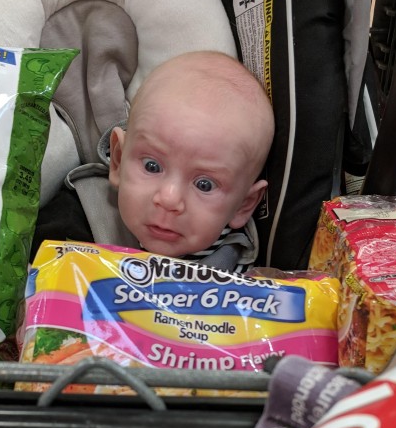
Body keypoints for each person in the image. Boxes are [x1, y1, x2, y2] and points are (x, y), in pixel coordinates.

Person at [107, 50, 274, 271]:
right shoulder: (82, 219)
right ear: (119, 159)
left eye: (204, 185)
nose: (169, 199)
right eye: (152, 166)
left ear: (243, 205)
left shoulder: (245, 276)